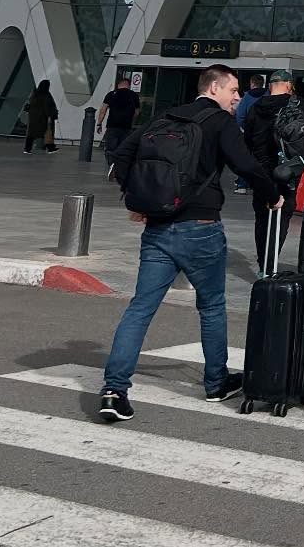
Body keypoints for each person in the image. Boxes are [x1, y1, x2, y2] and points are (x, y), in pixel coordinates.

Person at [99, 64, 282, 423]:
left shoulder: (164, 117)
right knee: (211, 306)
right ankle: (216, 382)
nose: (237, 98)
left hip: (158, 229)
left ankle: (114, 390)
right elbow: (246, 165)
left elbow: (122, 157)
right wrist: (273, 196)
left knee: (140, 308)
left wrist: (138, 201)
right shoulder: (220, 122)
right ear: (214, 88)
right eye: (233, 90)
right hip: (201, 228)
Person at [242, 69, 304, 265]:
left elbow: (247, 139)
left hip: (261, 170)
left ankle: (262, 262)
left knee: (262, 216)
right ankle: (271, 262)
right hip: (287, 169)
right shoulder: (298, 104)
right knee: (283, 214)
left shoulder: (256, 106)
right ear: (289, 85)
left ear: (270, 86)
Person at [230, 73, 266, 194]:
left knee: (244, 158)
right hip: (265, 133)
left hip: (249, 132)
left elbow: (240, 116)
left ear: (252, 83)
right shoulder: (268, 95)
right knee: (261, 159)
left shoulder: (247, 97)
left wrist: (244, 128)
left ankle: (242, 185)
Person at [97, 74, 141, 162]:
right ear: (128, 85)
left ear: (119, 84)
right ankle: (119, 165)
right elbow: (137, 112)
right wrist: (132, 121)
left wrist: (99, 123)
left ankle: (111, 164)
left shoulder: (111, 94)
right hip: (126, 127)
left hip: (112, 126)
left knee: (110, 149)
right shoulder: (134, 95)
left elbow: (103, 110)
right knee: (124, 149)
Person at [22, 79, 58, 155]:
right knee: (48, 132)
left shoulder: (35, 94)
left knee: (31, 134)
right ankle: (50, 148)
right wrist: (51, 115)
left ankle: (27, 148)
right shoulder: (46, 95)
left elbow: (31, 105)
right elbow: (47, 106)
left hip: (33, 118)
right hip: (43, 118)